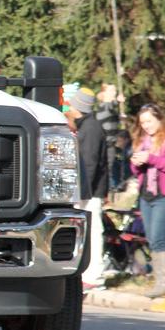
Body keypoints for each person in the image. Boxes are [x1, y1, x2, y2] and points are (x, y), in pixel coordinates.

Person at [66, 87, 110, 289]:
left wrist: (82, 193)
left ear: (78, 107)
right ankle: (89, 273)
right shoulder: (87, 126)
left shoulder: (91, 129)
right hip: (88, 190)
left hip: (90, 191)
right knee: (89, 231)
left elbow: (90, 163)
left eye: (71, 104)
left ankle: (94, 276)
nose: (69, 107)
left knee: (93, 231)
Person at [129, 104, 165, 298]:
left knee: (158, 239)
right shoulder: (142, 141)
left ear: (159, 119)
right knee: (151, 239)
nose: (146, 126)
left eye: (149, 121)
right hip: (146, 196)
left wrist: (152, 159)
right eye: (143, 122)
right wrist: (136, 163)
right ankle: (160, 281)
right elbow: (137, 172)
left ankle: (164, 283)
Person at [95, 83, 123, 191]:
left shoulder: (109, 108)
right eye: (111, 91)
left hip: (111, 143)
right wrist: (118, 101)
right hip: (106, 144)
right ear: (104, 93)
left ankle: (109, 189)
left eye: (115, 91)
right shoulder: (106, 105)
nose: (114, 93)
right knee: (107, 168)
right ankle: (106, 190)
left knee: (110, 167)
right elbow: (110, 105)